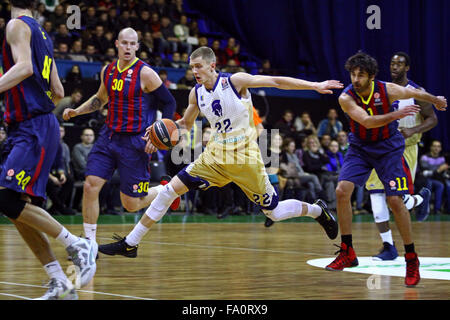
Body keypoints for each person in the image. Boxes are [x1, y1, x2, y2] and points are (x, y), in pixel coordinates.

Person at [98, 46, 343, 258]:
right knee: (170, 190)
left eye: (198, 66)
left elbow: (276, 82)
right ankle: (131, 243)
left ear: (212, 65)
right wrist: (158, 130)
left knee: (274, 212)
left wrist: (314, 85)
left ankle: (318, 210)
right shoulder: (196, 93)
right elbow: (183, 124)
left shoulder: (235, 82)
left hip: (245, 159)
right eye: (191, 67)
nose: (194, 71)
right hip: (214, 157)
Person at [0, 0, 97, 300]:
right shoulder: (43, 34)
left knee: (4, 197)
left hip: (33, 126)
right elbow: (58, 90)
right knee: (16, 208)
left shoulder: (15, 26)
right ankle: (60, 281)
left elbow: (25, 67)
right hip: (33, 125)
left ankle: (78, 244)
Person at [326, 52, 447, 288]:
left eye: (361, 75)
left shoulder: (387, 89)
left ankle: (411, 258)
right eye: (353, 74)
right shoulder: (346, 97)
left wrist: (435, 99)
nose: (356, 79)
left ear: (371, 77)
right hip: (361, 147)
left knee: (394, 200)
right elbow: (367, 121)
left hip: (389, 147)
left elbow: (414, 92)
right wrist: (396, 114)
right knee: (342, 191)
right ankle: (347, 251)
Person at [63, 28, 179, 242]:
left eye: (132, 44)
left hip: (135, 142)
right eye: (123, 43)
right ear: (116, 44)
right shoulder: (107, 70)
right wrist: (77, 110)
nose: (127, 47)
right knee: (90, 185)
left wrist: (158, 134)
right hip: (109, 136)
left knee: (131, 204)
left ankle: (165, 189)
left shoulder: (145, 73)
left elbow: (169, 101)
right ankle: (88, 244)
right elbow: (100, 98)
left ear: (137, 46)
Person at [365, 52, 438, 261]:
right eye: (392, 63)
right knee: (376, 196)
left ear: (407, 68)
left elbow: (432, 119)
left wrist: (414, 130)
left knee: (395, 199)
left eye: (399, 64)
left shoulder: (417, 92)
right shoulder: (382, 90)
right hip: (381, 147)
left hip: (406, 149)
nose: (394, 67)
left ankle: (419, 198)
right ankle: (388, 246)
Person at [420, 140, 449, 214]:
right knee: (430, 183)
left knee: (444, 185)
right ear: (431, 147)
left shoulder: (442, 158)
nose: (436, 148)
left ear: (441, 148)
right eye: (435, 146)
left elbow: (443, 173)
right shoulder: (425, 157)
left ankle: (438, 209)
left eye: (438, 146)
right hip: (425, 179)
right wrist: (438, 170)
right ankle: (425, 209)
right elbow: (425, 173)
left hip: (438, 179)